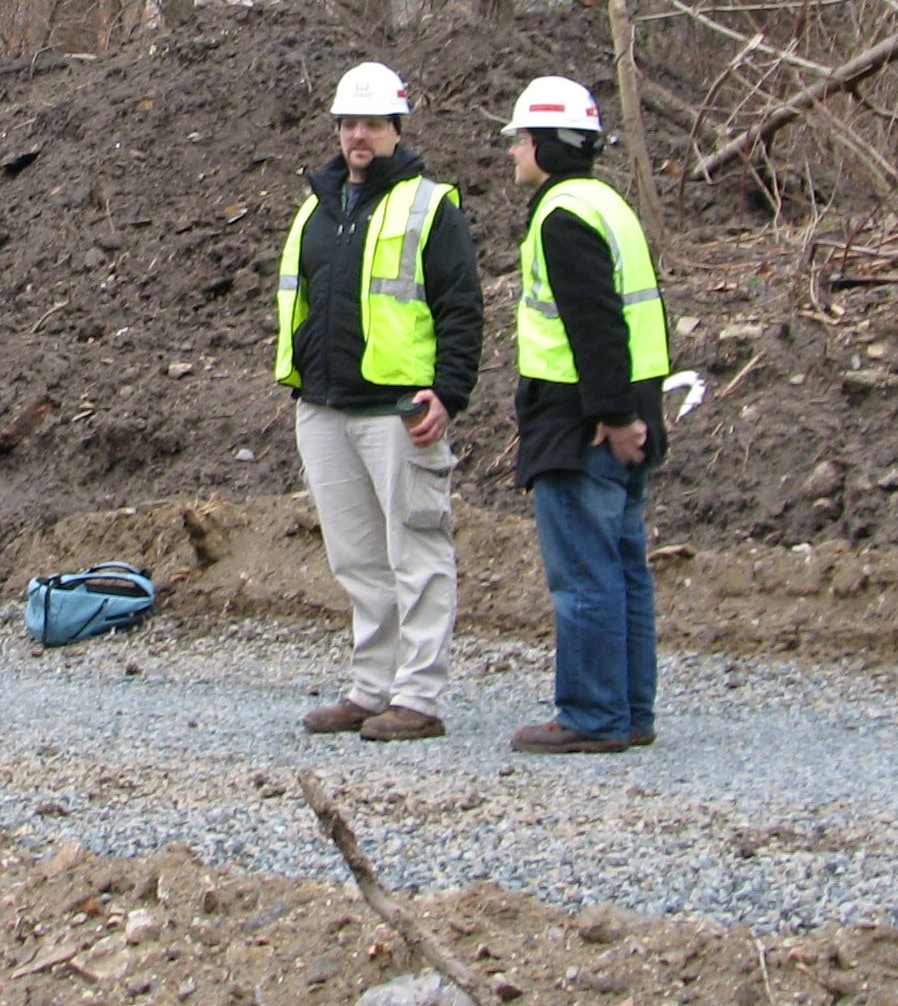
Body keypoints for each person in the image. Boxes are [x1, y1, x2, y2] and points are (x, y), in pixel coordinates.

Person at [278, 62, 482, 742]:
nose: (357, 135)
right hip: (325, 408)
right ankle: (372, 688)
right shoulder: (316, 206)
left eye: (370, 124)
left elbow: (461, 308)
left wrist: (448, 392)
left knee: (417, 550)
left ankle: (418, 697)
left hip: (398, 410)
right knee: (358, 558)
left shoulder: (431, 205)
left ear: (397, 129)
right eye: (347, 123)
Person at [502, 76, 670, 755]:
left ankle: (592, 714)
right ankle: (629, 712)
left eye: (520, 139)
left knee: (585, 574)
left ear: (545, 144)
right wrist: (635, 413)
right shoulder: (610, 205)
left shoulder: (563, 215)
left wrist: (611, 411)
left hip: (581, 423)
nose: (513, 151)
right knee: (625, 568)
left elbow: (594, 321)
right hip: (622, 414)